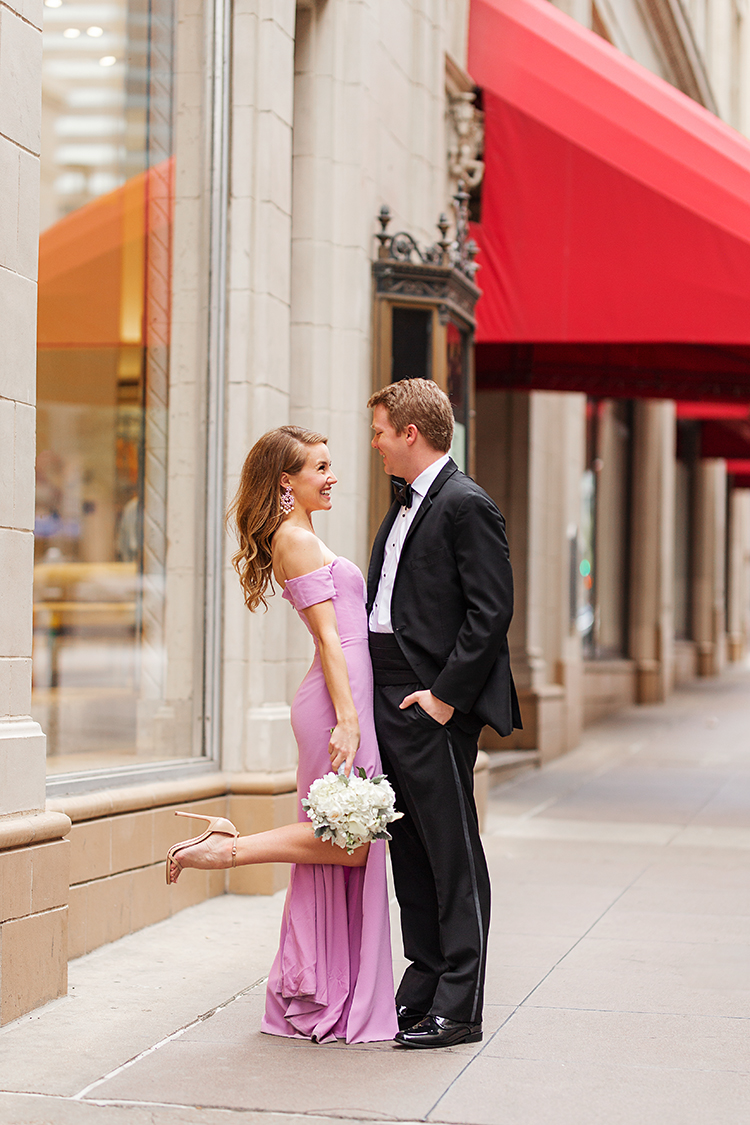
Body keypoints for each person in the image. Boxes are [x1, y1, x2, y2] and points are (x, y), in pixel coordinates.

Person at [166, 426, 398, 1045]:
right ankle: (226, 849)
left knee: (351, 838)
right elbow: (328, 637)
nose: (332, 477)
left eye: (331, 465)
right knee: (349, 839)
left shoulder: (304, 535)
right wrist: (349, 719)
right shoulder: (293, 539)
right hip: (335, 699)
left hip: (346, 692)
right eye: (319, 468)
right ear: (285, 482)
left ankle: (325, 987)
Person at [367, 378, 521, 1049]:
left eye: (378, 430)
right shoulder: (403, 503)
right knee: (411, 853)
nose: (372, 442)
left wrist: (443, 698)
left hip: (431, 705)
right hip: (389, 700)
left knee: (452, 856)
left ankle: (460, 1006)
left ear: (410, 432)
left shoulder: (466, 503)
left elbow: (492, 611)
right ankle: (424, 985)